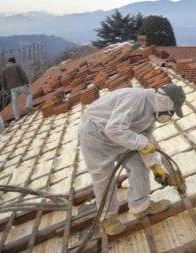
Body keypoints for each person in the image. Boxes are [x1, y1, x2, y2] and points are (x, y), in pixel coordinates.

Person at [79, 84, 186, 236]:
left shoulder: (152, 112)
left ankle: (140, 206)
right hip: (96, 132)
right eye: (172, 111)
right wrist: (140, 143)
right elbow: (113, 129)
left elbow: (146, 140)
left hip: (122, 134)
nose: (171, 114)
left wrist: (155, 167)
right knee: (103, 177)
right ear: (166, 103)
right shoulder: (136, 99)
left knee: (139, 165)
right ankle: (108, 218)